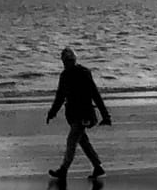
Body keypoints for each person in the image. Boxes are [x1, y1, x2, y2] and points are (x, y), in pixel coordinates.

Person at [46, 47, 111, 179]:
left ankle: (63, 170)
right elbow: (60, 97)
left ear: (74, 60)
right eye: (65, 61)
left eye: (69, 60)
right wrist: (52, 112)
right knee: (83, 141)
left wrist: (105, 115)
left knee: (72, 140)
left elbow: (95, 94)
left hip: (84, 115)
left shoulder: (83, 73)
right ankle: (98, 167)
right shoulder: (64, 76)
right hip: (73, 115)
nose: (67, 63)